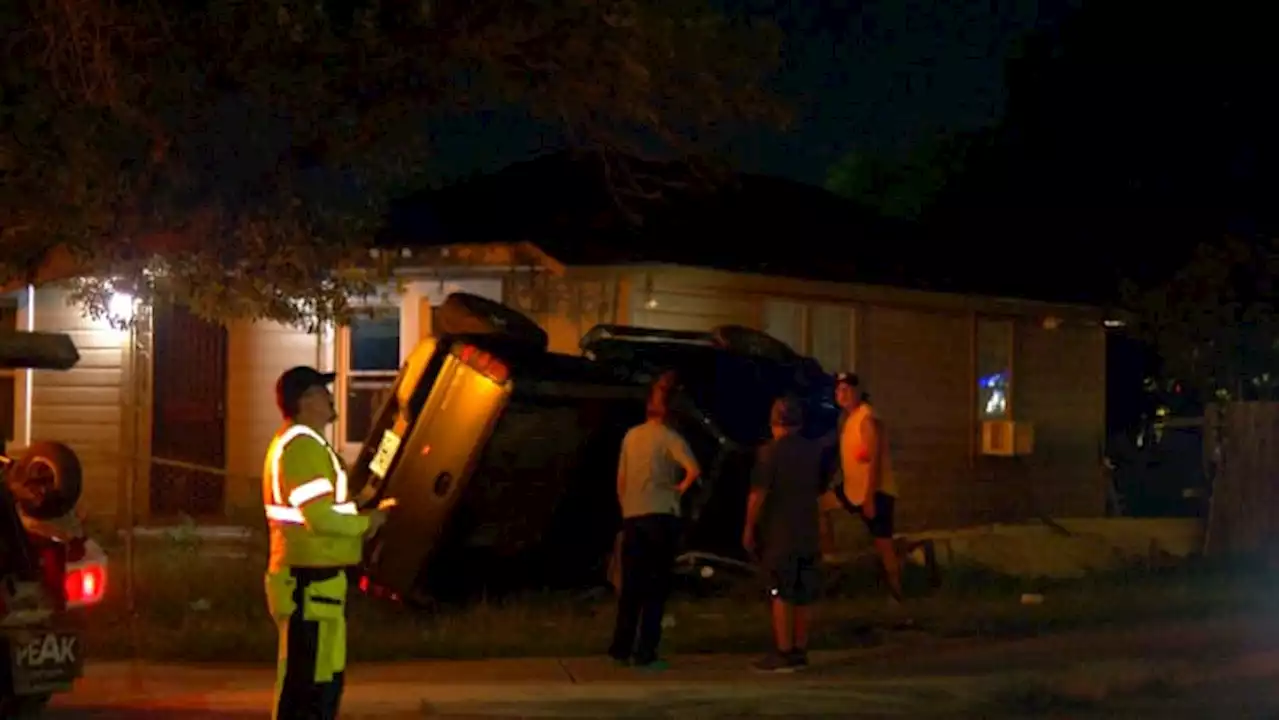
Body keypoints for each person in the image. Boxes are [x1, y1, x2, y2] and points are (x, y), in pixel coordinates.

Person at [263, 366, 391, 720]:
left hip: (318, 588)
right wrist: (368, 523)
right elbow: (319, 518)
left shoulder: (308, 445)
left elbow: (329, 510)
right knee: (309, 691)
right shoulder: (302, 448)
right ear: (304, 402)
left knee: (318, 685)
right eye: (322, 391)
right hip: (310, 587)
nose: (331, 397)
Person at [607, 381, 700, 670]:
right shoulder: (670, 437)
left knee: (631, 586)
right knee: (656, 586)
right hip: (661, 515)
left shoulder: (631, 436)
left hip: (634, 515)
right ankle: (646, 651)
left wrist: (626, 507)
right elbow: (693, 470)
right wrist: (678, 490)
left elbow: (620, 480)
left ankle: (620, 649)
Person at [743, 396, 829, 672]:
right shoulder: (812, 452)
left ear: (775, 422)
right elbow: (819, 495)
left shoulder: (770, 453)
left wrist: (749, 527)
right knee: (803, 593)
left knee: (781, 592)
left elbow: (758, 494)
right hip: (807, 531)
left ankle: (783, 650)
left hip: (781, 534)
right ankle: (800, 650)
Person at [828, 372, 904, 604]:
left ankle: (897, 595)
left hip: (875, 493)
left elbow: (876, 462)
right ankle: (830, 563)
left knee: (884, 545)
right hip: (853, 490)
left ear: (858, 392)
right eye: (839, 390)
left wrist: (869, 498)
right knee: (819, 505)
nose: (843, 394)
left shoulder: (868, 419)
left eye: (848, 390)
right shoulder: (847, 419)